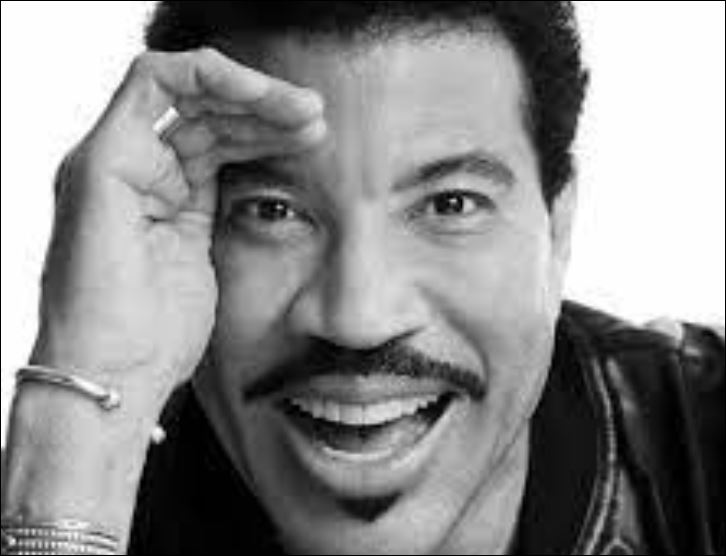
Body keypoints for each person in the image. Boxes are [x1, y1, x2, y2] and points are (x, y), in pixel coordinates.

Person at [1, 2, 723, 554]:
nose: (358, 317)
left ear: (558, 226)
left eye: (449, 205)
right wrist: (79, 429)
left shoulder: (704, 447)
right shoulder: (70, 485)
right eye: (273, 211)